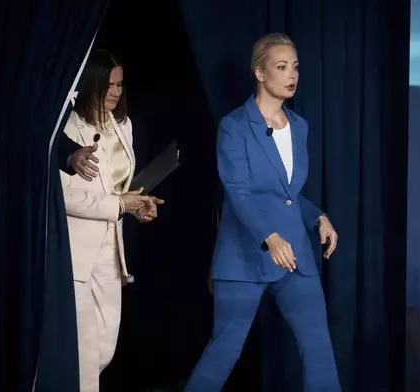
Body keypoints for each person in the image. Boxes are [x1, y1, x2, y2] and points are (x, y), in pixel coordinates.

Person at [184, 33, 341, 392]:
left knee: (319, 350)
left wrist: (318, 217)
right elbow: (238, 192)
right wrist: (269, 236)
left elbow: (287, 195)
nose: (292, 75)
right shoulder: (234, 126)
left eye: (295, 67)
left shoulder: (299, 126)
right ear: (259, 72)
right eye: (282, 67)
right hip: (244, 256)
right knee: (224, 351)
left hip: (295, 256)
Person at [59, 49, 163, 392]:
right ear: (91, 85)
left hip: (112, 249)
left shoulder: (123, 125)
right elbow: (67, 197)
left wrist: (136, 204)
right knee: (85, 352)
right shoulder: (69, 128)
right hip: (77, 251)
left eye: (119, 84)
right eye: (109, 85)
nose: (116, 92)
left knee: (105, 347)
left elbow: (120, 188)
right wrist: (119, 204)